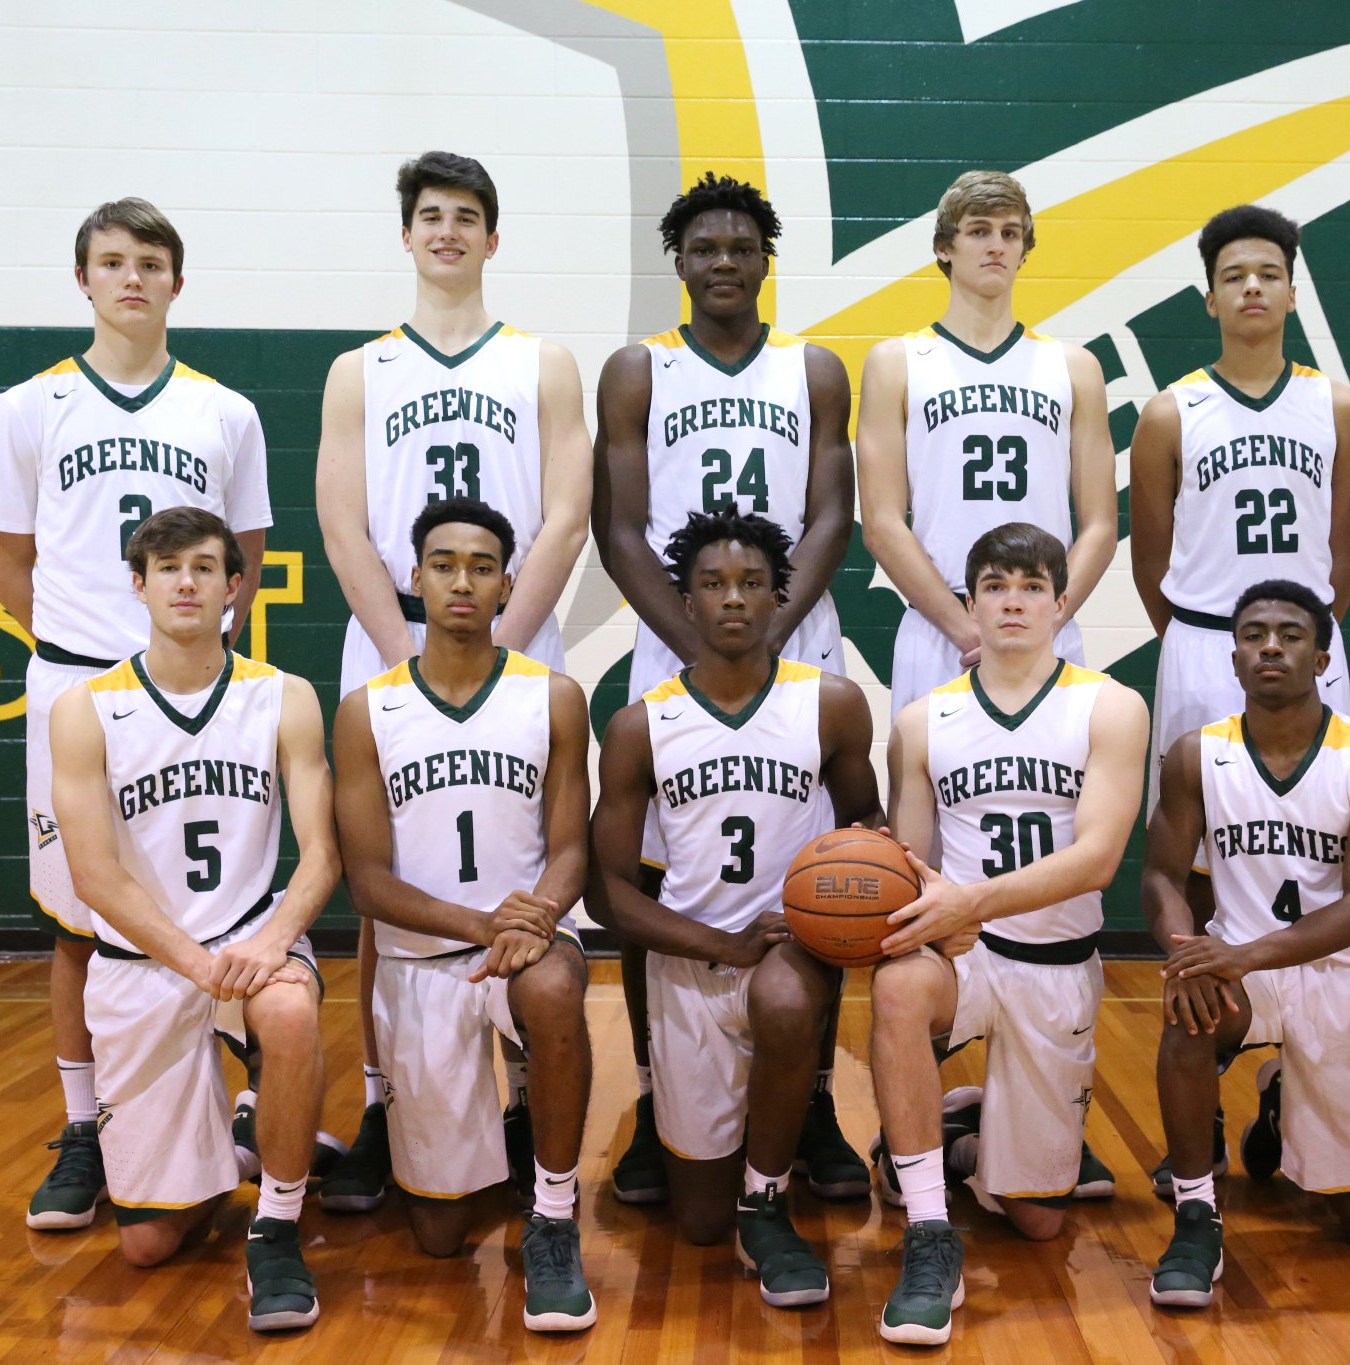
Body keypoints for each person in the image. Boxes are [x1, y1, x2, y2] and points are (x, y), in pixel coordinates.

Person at [0, 198, 271, 1231]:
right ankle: (82, 1127)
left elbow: (246, 555)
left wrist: (181, 660)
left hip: (195, 686)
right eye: (112, 262)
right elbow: (5, 554)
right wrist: (84, 657)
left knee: (218, 901)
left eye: (150, 262)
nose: (132, 278)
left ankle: (242, 1099)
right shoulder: (29, 406)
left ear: (177, 283)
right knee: (79, 922)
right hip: (77, 686)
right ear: (84, 280)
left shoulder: (225, 412)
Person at [315, 150, 592, 1211]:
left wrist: (495, 642)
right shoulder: (360, 370)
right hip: (393, 627)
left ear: (492, 237)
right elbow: (342, 520)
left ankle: (525, 1098)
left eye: (465, 216)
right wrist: (407, 646)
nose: (446, 230)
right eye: (429, 215)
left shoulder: (542, 361)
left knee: (522, 849)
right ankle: (387, 1101)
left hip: (511, 623)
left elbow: (565, 515)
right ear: (406, 235)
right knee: (387, 877)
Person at [590, 173, 862, 1206]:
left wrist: (766, 636)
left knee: (824, 880)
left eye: (741, 247)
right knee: (655, 873)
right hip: (679, 636)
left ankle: (816, 1102)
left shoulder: (813, 369)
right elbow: (619, 527)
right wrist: (699, 641)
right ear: (678, 260)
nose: (722, 263)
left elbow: (830, 516)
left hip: (791, 631)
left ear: (764, 261)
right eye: (704, 247)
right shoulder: (638, 370)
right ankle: (657, 1101)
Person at [1129, 204, 1350, 1199]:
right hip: (1199, 639)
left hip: (1306, 644)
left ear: (1292, 290)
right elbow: (1150, 560)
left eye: (1268, 272)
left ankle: (1291, 1076)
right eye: (1234, 275)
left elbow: (1345, 550)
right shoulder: (1169, 411)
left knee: (1315, 844)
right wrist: (1207, 638)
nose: (1253, 288)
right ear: (1209, 296)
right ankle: (1203, 1081)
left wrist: (1297, 644)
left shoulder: (1334, 405)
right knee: (1191, 856)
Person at [48, 508, 336, 1331]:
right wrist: (197, 963)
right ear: (138, 585)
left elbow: (322, 854)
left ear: (234, 586)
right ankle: (243, 1132)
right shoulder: (85, 708)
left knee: (288, 1009)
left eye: (205, 567)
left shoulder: (283, 696)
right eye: (168, 568)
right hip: (144, 961)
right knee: (148, 1243)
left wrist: (273, 941)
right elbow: (93, 876)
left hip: (251, 940)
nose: (186, 582)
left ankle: (277, 1226)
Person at [586, 509, 882, 1312]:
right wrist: (722, 940)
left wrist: (866, 888)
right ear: (685, 602)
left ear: (779, 597)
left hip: (789, 951)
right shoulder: (640, 726)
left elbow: (866, 823)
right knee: (697, 1223)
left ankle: (767, 1199)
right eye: (713, 583)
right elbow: (605, 889)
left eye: (752, 582)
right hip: (691, 964)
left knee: (785, 998)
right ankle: (726, 1162)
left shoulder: (831, 704)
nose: (734, 598)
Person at [866, 523, 1147, 1345]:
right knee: (898, 985)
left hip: (1057, 962)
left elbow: (1097, 859)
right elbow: (912, 861)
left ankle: (961, 1133)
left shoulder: (1111, 705)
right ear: (971, 602)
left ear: (1062, 604)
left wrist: (971, 902)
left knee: (1036, 1220)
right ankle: (928, 1229)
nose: (1013, 601)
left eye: (1031, 586)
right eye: (995, 585)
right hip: (966, 958)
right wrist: (918, 903)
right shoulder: (923, 720)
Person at [331, 497, 595, 1331]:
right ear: (414, 577)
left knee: (553, 988)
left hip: (531, 946)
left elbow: (571, 847)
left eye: (482, 567)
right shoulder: (367, 710)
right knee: (441, 1235)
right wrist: (483, 925)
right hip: (423, 957)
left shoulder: (554, 696)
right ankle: (487, 1141)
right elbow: (367, 883)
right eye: (443, 564)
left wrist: (537, 917)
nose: (462, 581)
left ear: (507, 584)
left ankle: (554, 1211)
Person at [1143, 581, 1350, 1309]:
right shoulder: (1196, 755)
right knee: (1189, 1011)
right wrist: (1186, 950)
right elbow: (1162, 874)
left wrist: (1243, 955)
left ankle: (1280, 1100)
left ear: (1322, 659)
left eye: (1290, 635)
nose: (1270, 646)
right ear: (1233, 659)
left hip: (1334, 975)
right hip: (1238, 973)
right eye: (1254, 635)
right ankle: (1195, 1212)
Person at [858, 170, 1116, 719]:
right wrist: (965, 628)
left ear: (1024, 249)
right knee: (924, 775)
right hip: (940, 624)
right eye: (978, 231)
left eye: (1010, 233)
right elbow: (881, 522)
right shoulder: (896, 363)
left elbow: (1100, 525)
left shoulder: (1074, 367)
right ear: (944, 248)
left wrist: (1047, 620)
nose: (996, 245)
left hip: (1046, 627)